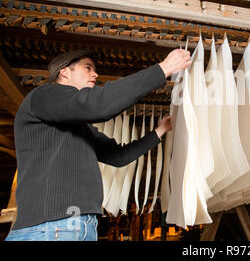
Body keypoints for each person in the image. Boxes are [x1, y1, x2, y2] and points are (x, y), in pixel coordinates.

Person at [5, 48, 191, 241]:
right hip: (52, 227)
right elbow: (98, 105)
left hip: (75, 226)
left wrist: (159, 131)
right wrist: (163, 69)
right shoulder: (43, 95)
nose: (95, 74)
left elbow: (119, 156)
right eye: (88, 68)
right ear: (65, 72)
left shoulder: (77, 126)